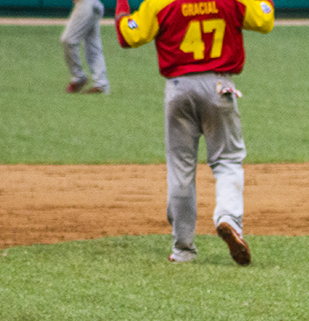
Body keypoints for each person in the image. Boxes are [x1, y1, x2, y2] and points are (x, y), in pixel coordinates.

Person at [114, 0, 274, 266]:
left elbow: (130, 37)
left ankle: (183, 249)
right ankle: (227, 218)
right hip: (218, 85)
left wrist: (121, 10)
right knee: (227, 162)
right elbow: (264, 21)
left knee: (181, 169)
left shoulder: (160, 3)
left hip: (178, 89)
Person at [62, 0, 110, 95]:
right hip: (92, 4)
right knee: (93, 46)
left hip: (85, 4)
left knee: (68, 40)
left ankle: (79, 77)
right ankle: (101, 84)